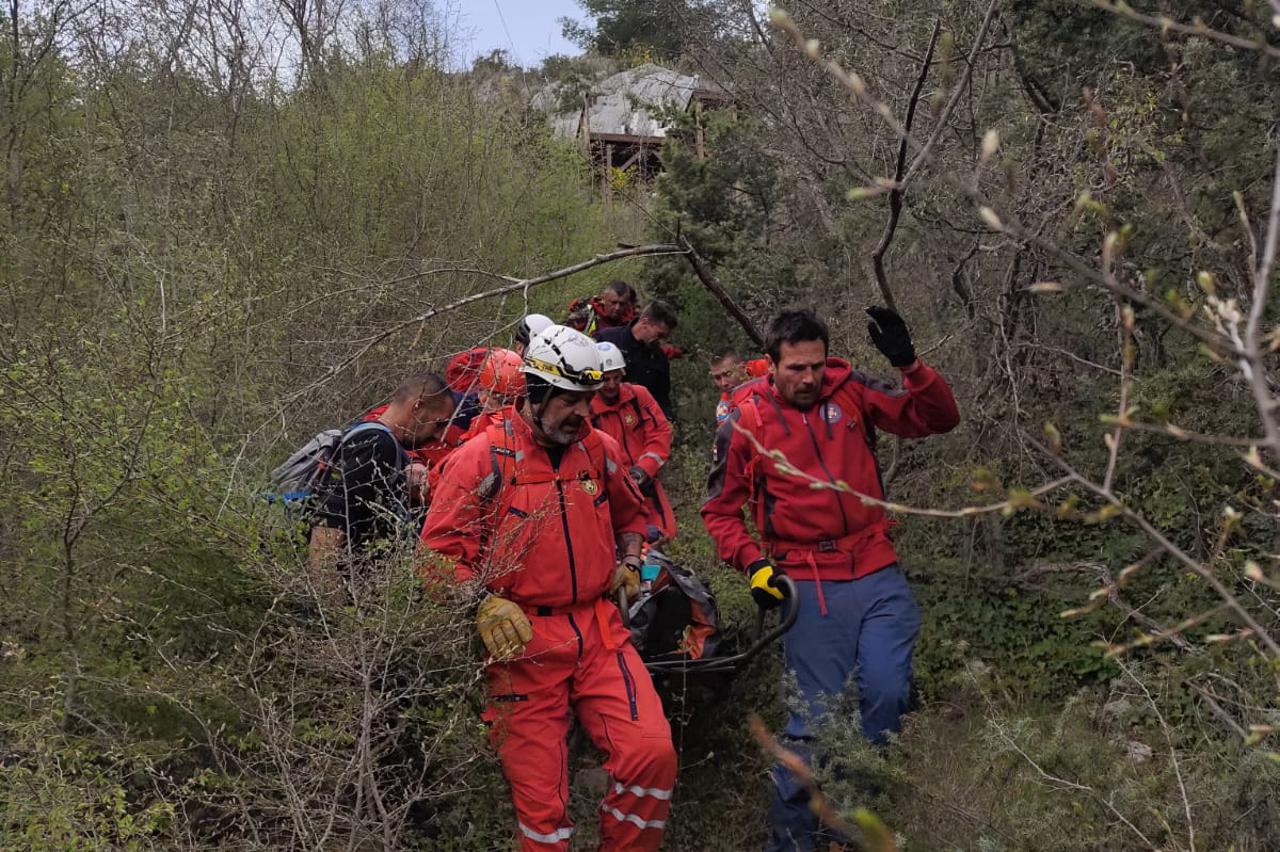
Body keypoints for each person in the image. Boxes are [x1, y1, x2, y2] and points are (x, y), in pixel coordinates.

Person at [701, 307, 959, 851]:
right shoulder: (744, 419)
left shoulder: (851, 391)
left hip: (876, 569)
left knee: (888, 696)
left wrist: (910, 364)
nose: (809, 378)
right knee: (814, 725)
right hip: (808, 583)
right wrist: (754, 564)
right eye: (796, 368)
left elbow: (937, 418)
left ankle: (844, 827)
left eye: (816, 366)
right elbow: (719, 512)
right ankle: (792, 842)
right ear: (770, 364)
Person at [420, 325, 678, 851]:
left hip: (599, 631)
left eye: (589, 399)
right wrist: (481, 602)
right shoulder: (483, 459)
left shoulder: (599, 450)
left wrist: (631, 560)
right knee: (543, 807)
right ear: (535, 393)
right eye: (570, 401)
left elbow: (632, 515)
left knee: (651, 754)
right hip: (523, 644)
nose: (584, 413)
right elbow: (435, 556)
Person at [309, 371, 456, 573]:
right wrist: (324, 589)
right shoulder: (377, 444)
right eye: (439, 423)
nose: (439, 434)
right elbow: (331, 518)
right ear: (417, 407)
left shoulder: (381, 442)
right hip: (350, 585)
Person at [591, 342, 676, 543]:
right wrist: (620, 481)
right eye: (605, 379)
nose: (611, 384)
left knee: (665, 536)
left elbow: (660, 433)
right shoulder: (588, 408)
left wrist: (644, 469)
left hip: (646, 483)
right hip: (613, 493)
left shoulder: (638, 396)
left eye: (616, 378)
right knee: (625, 543)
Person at [597, 301, 679, 420]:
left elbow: (661, 398)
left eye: (665, 338)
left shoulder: (659, 358)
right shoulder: (607, 339)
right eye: (659, 335)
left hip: (638, 422)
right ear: (645, 322)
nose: (662, 342)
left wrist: (667, 420)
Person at [709, 347, 770, 427]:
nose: (723, 383)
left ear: (743, 368)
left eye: (728, 374)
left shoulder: (764, 367)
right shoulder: (724, 410)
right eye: (717, 378)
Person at [566, 280, 636, 337]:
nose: (617, 308)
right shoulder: (586, 312)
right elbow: (565, 335)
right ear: (604, 299)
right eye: (613, 303)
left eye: (622, 304)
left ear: (627, 303)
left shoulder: (632, 322)